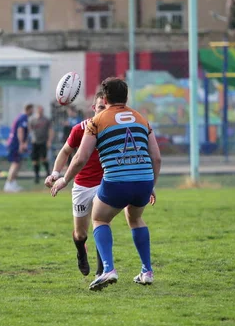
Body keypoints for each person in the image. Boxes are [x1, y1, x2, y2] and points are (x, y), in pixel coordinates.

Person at [51, 78, 162, 291]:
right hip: (144, 180)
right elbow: (156, 158)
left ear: (105, 98)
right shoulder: (141, 119)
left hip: (116, 181)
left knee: (100, 218)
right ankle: (147, 271)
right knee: (136, 218)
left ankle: (108, 269)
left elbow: (80, 157)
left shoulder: (97, 121)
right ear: (126, 97)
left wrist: (65, 179)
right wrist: (151, 185)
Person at [45, 92, 107, 277]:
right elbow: (65, 152)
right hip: (81, 186)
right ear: (93, 108)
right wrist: (56, 173)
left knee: (100, 223)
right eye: (101, 107)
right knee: (81, 234)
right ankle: (81, 251)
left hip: (104, 184)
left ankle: (101, 270)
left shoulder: (113, 129)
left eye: (107, 107)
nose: (104, 111)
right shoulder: (80, 129)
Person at [4, 103, 33, 193]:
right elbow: (20, 130)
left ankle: (13, 182)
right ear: (28, 109)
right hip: (15, 144)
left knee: (18, 163)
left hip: (14, 143)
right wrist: (21, 143)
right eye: (32, 110)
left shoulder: (21, 117)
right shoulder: (23, 117)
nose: (33, 112)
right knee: (15, 163)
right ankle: (9, 184)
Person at [29, 106, 54, 184]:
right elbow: (30, 130)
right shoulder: (32, 120)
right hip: (35, 142)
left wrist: (49, 141)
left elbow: (50, 130)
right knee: (35, 160)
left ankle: (47, 174)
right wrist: (31, 138)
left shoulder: (46, 120)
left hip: (43, 142)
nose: (41, 111)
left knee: (44, 158)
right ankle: (37, 176)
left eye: (42, 110)